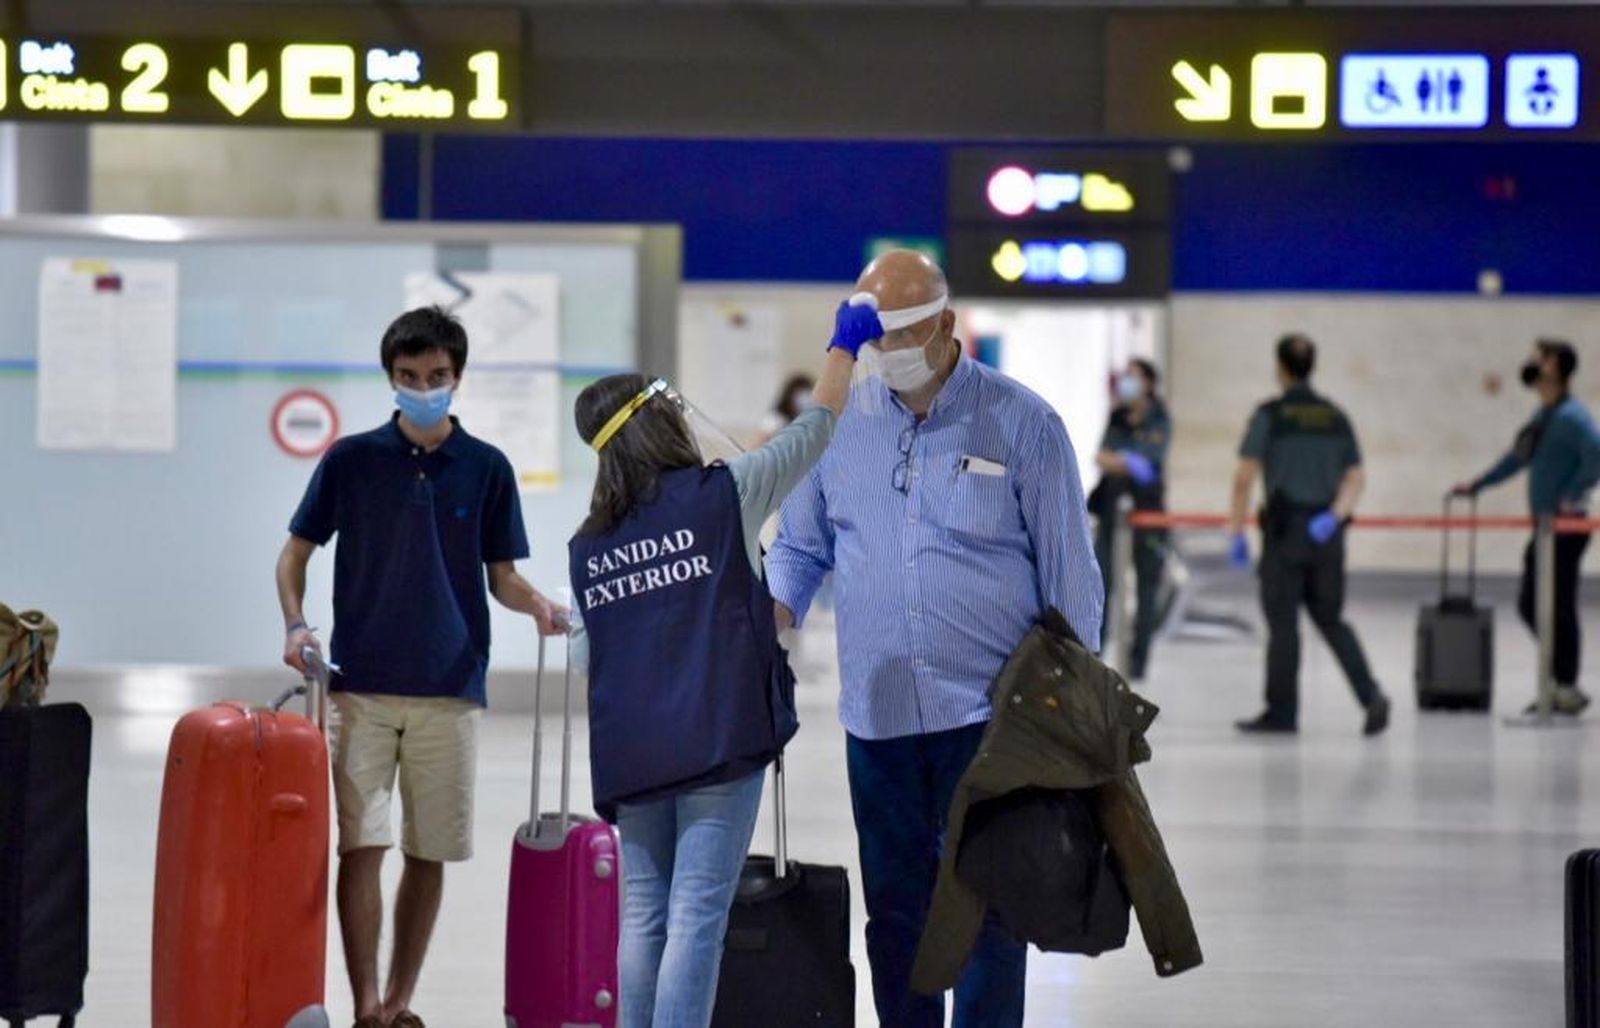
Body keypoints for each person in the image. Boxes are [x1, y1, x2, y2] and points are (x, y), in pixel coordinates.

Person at [766, 250, 1103, 1027]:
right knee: (896, 912)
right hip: (877, 719)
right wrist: (766, 621)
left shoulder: (1024, 423)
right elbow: (800, 547)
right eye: (873, 338)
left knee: (989, 911)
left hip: (992, 720)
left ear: (948, 325)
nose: (888, 353)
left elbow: (1071, 579)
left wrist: (1070, 715)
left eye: (905, 334)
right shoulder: (838, 423)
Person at [276, 307, 569, 1028]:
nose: (423, 389)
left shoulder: (488, 467)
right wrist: (295, 623)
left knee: (428, 851)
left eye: (436, 377)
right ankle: (366, 1006)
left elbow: (501, 574)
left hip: (450, 687)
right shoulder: (350, 461)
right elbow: (294, 556)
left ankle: (400, 1001)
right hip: (361, 685)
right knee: (362, 848)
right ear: (391, 380)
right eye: (408, 378)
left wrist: (538, 605)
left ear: (457, 378)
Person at [568, 315, 862, 1028]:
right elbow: (816, 427)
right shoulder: (722, 492)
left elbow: (586, 656)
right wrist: (844, 345)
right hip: (719, 740)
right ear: (661, 426)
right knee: (697, 914)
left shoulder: (588, 543)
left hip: (634, 752)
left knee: (643, 916)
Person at [1228, 333, 1390, 737]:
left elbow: (1244, 478)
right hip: (1326, 534)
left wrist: (1236, 533)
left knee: (1284, 627)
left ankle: (1282, 713)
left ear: (1280, 368)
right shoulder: (1336, 416)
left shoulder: (1271, 415)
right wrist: (1334, 516)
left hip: (1284, 534)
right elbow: (1356, 477)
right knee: (1331, 619)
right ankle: (1371, 696)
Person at [1453, 338, 1600, 715]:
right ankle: (1561, 681)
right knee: (1538, 603)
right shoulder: (1545, 416)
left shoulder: (1572, 417)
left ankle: (1564, 685)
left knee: (1553, 603)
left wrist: (1570, 493)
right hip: (1546, 526)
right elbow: (1518, 458)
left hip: (1566, 526)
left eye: (1540, 359)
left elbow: (1597, 456)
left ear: (1556, 368)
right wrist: (1479, 484)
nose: (1532, 365)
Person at [1089, 359, 1172, 680]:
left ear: (1149, 383)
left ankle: (1137, 663)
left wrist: (1119, 459)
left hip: (1147, 512)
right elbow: (1101, 457)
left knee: (1147, 586)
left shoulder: (1159, 418)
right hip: (1112, 510)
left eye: (1133, 377)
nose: (1126, 382)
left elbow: (1149, 464)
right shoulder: (1118, 417)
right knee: (1102, 580)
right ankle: (1096, 654)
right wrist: (1126, 460)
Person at [758, 373, 818, 442]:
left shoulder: (805, 421)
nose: (803, 401)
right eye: (799, 395)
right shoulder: (775, 419)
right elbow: (760, 443)